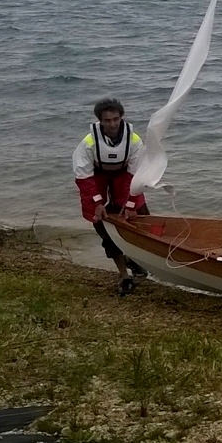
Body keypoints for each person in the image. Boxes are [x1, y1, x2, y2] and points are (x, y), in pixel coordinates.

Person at [73, 97, 150, 296]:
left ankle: (139, 259)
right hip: (97, 176)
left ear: (121, 118)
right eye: (107, 120)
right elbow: (83, 176)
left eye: (116, 119)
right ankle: (124, 274)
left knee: (141, 217)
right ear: (100, 121)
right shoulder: (88, 143)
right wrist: (98, 203)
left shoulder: (134, 141)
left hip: (125, 176)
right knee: (102, 223)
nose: (113, 124)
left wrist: (131, 203)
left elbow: (136, 175)